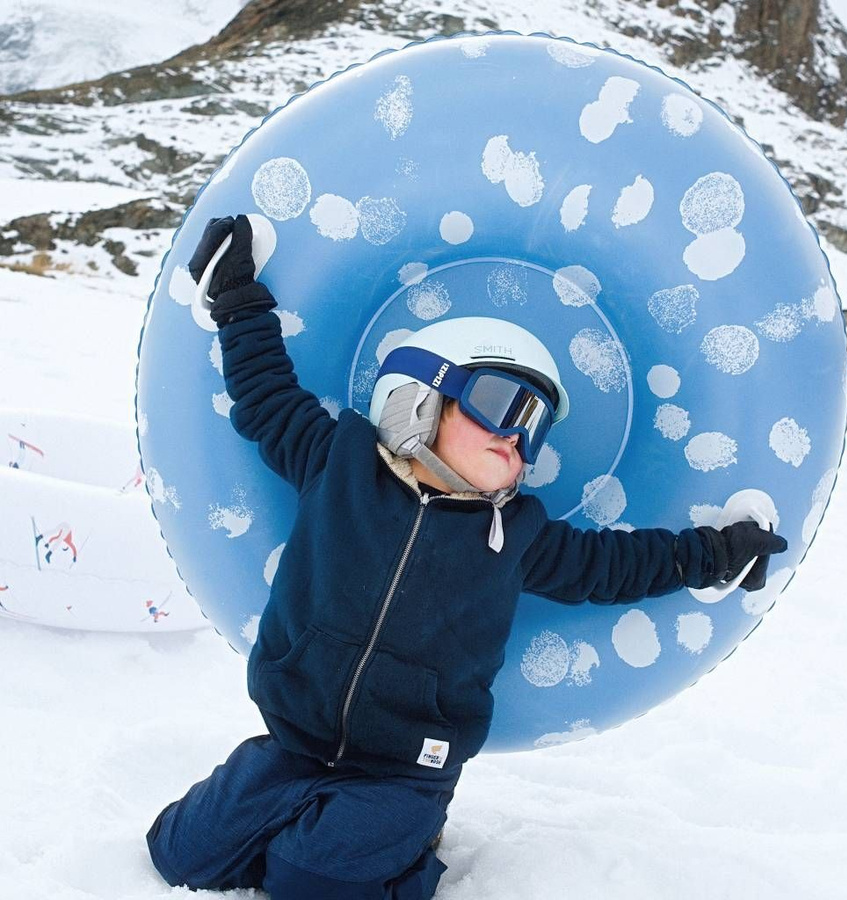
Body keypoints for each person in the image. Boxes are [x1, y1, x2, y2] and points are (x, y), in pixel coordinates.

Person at [146, 215, 787, 900]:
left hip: (403, 770)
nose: (518, 435)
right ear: (419, 396)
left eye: (534, 427)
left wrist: (718, 554)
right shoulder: (337, 466)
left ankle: (409, 856)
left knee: (307, 880)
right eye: (501, 402)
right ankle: (309, 826)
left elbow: (616, 568)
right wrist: (236, 294)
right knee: (177, 853)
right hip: (294, 741)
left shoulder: (519, 535)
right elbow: (267, 396)